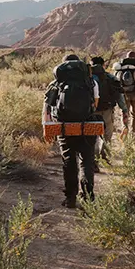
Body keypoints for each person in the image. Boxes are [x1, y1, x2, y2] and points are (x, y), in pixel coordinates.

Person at [43, 54, 99, 209]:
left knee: (69, 161)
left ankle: (70, 198)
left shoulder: (56, 83)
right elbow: (95, 104)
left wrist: (46, 127)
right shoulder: (91, 82)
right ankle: (88, 197)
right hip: (87, 125)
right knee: (86, 160)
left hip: (64, 126)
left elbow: (47, 107)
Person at [90, 56, 129, 168]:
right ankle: (105, 159)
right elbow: (119, 96)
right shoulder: (110, 77)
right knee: (107, 136)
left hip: (91, 112)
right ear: (103, 65)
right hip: (107, 111)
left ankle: (93, 163)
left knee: (93, 137)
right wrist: (124, 109)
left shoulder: (87, 79)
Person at [113, 51, 135, 137]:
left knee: (124, 112)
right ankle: (133, 134)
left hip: (124, 93)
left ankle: (125, 128)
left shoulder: (120, 65)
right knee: (134, 113)